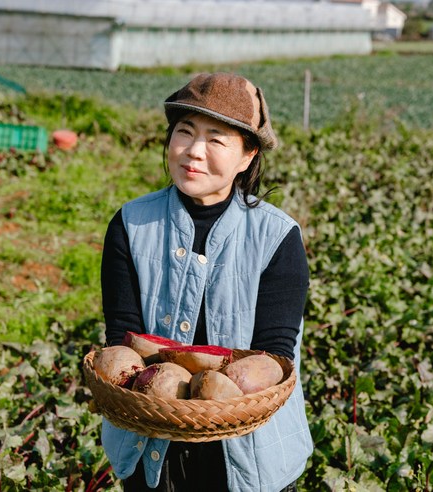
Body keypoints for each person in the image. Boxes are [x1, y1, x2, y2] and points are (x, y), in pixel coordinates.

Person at [100, 72, 313, 492]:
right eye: (184, 132)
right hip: (150, 442)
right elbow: (121, 340)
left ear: (247, 155)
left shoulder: (278, 238)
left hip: (248, 454)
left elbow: (273, 359)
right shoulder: (130, 223)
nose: (193, 152)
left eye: (216, 140)